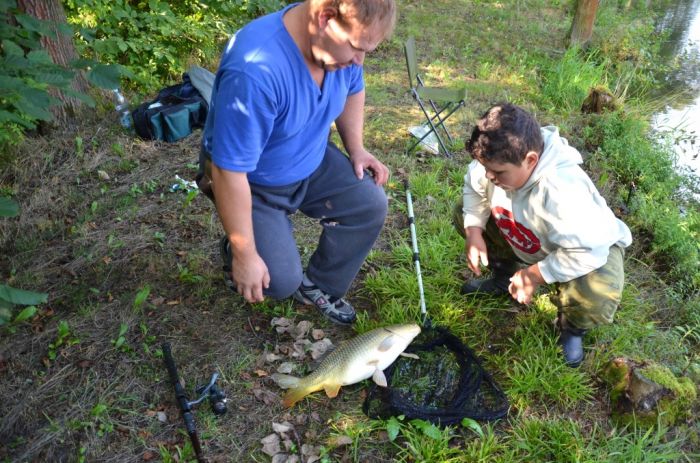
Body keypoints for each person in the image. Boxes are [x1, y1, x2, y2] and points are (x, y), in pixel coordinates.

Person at [196, 0, 396, 325]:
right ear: (325, 17)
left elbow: (353, 90)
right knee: (279, 280)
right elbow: (228, 170)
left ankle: (317, 285)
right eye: (357, 48)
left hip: (309, 155)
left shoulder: (339, 51)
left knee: (368, 203)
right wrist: (245, 253)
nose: (359, 60)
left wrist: (356, 148)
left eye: (367, 51)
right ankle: (236, 249)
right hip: (253, 183)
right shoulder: (256, 69)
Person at [457, 103, 632, 367]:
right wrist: (473, 231)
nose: (489, 176)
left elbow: (588, 250)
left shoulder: (562, 190)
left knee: (599, 291)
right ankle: (504, 276)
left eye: (499, 172)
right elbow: (474, 187)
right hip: (529, 236)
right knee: (463, 213)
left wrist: (534, 275)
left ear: (530, 160)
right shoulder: (497, 158)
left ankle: (571, 327)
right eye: (485, 168)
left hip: (588, 250)